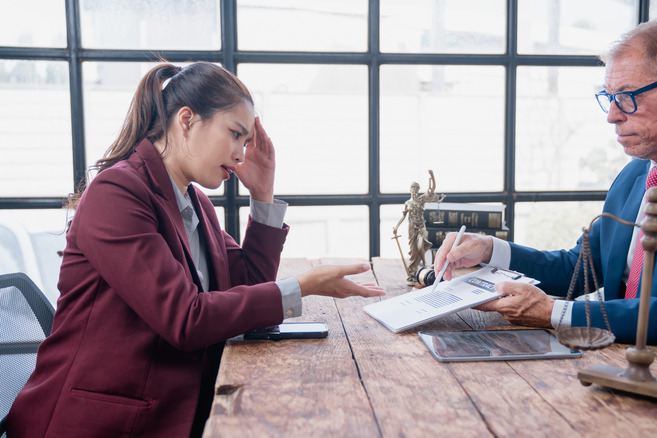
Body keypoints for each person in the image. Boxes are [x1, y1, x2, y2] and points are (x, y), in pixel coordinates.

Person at [6, 62, 385, 437]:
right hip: (100, 422)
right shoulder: (117, 193)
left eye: (247, 142)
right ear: (186, 120)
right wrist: (302, 286)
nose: (241, 154)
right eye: (235, 134)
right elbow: (185, 319)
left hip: (170, 410)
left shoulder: (195, 203)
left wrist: (263, 194)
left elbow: (247, 283)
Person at [434, 19, 657, 393]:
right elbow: (582, 267)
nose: (613, 115)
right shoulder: (638, 174)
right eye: (609, 97)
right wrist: (492, 250)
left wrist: (554, 313)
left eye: (628, 96)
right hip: (630, 373)